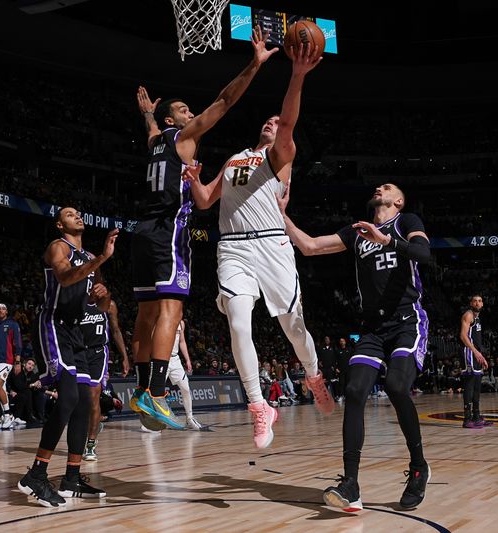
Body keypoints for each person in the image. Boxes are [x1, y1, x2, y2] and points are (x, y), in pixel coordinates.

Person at [182, 40, 333, 448]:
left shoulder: (281, 156)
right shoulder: (234, 160)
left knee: (293, 328)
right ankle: (258, 406)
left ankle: (314, 375)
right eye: (266, 120)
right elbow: (204, 201)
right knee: (236, 321)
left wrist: (297, 75)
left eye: (275, 120)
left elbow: (287, 122)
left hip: (271, 247)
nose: (271, 122)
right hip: (232, 248)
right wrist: (193, 178)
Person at [130, 25, 277, 431]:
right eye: (183, 111)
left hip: (140, 232)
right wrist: (254, 64)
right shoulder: (181, 137)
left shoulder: (155, 141)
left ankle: (144, 391)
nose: (191, 114)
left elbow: (151, 131)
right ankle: (157, 394)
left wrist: (146, 115)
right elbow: (226, 101)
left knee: (144, 316)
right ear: (173, 120)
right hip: (166, 232)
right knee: (170, 312)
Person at [279, 182, 431, 512]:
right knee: (356, 389)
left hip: (407, 320)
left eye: (387, 187)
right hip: (372, 328)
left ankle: (419, 467)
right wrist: (282, 216)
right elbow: (310, 246)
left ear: (399, 201)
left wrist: (388, 240)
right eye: (379, 186)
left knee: (395, 386)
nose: (380, 187)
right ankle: (351, 485)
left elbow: (423, 255)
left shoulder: (407, 222)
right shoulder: (356, 232)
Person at [17, 207, 118, 508]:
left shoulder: (89, 259)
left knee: (87, 403)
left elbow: (102, 306)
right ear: (60, 224)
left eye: (79, 212)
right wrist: (102, 258)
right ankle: (36, 475)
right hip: (53, 323)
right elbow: (63, 277)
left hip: (77, 332)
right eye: (70, 214)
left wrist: (103, 294)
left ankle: (71, 477)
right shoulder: (58, 247)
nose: (78, 215)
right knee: (69, 399)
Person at [80, 299, 129, 461]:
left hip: (98, 354)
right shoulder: (76, 300)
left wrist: (124, 357)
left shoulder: (109, 305)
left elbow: (115, 331)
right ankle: (94, 426)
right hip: (78, 353)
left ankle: (90, 444)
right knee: (79, 399)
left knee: (93, 398)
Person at [459, 295, 491, 428]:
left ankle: (476, 416)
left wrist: (481, 356)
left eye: (480, 301)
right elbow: (463, 336)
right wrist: (476, 352)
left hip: (475, 353)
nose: (477, 303)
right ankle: (467, 419)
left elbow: (476, 340)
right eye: (475, 301)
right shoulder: (468, 315)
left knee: (477, 386)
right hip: (468, 353)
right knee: (470, 384)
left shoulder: (477, 318)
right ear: (471, 303)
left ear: (482, 304)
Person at [0, 303, 22, 430]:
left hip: (7, 360)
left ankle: (8, 415)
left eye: (3, 308)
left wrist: (17, 361)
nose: (1, 310)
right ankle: (4, 417)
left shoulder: (13, 324)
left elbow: (18, 343)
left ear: (7, 311)